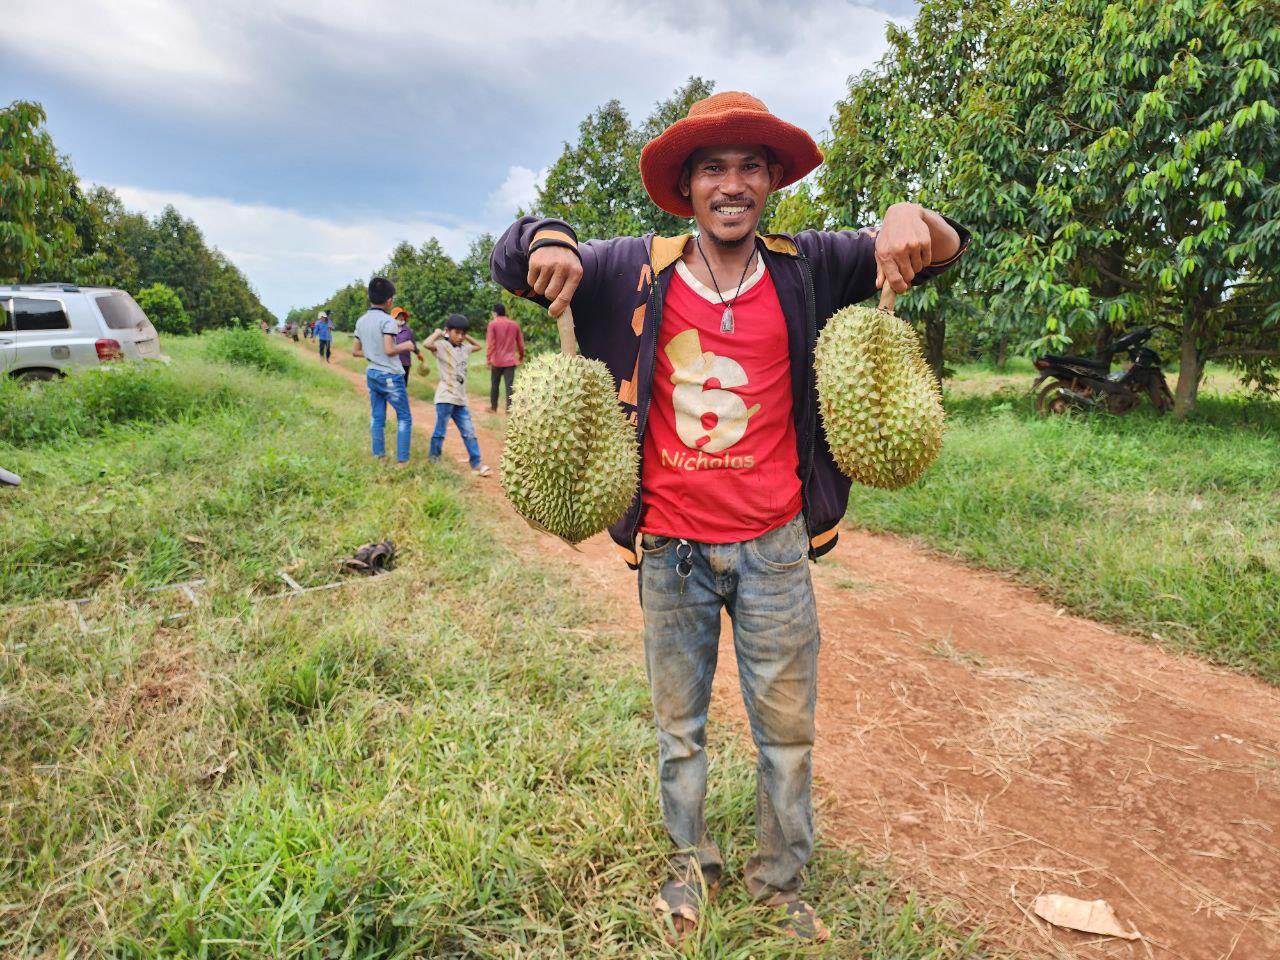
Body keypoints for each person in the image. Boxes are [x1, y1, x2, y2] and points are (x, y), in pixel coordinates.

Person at [491, 91, 969, 942]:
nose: (733, 184)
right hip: (670, 549)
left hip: (774, 546)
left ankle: (781, 882)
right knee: (679, 731)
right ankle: (689, 868)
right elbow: (511, 255)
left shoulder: (810, 265)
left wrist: (911, 217)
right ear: (686, 186)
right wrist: (548, 238)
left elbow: (942, 248)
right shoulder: (632, 268)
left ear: (773, 180)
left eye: (751, 166)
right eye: (713, 167)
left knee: (786, 733)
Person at [351, 277, 415, 465]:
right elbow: (389, 349)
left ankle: (379, 456)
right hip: (390, 375)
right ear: (389, 301)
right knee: (404, 417)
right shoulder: (388, 321)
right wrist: (406, 345)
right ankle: (402, 461)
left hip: (372, 373)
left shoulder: (361, 321)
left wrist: (373, 352)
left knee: (377, 417)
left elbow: (355, 351)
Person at [423, 314, 491, 477]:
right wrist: (438, 333)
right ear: (448, 331)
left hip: (460, 399)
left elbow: (479, 346)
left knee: (469, 432)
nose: (460, 337)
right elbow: (426, 344)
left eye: (463, 333)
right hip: (445, 397)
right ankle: (433, 461)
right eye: (457, 333)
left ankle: (477, 464)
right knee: (440, 432)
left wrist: (466, 336)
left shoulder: (465, 348)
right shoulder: (441, 346)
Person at [484, 302, 525, 412]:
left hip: (496, 361)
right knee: (509, 386)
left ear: (495, 313)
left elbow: (490, 343)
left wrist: (488, 359)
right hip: (510, 361)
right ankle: (509, 409)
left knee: (494, 384)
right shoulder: (514, 324)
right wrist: (521, 356)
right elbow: (520, 344)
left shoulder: (492, 324)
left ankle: (493, 408)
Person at [391, 306, 424, 377]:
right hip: (392, 362)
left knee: (403, 382)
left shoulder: (408, 330)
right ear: (394, 317)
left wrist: (418, 353)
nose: (401, 318)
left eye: (402, 316)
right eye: (399, 316)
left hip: (405, 362)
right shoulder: (388, 329)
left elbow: (412, 344)